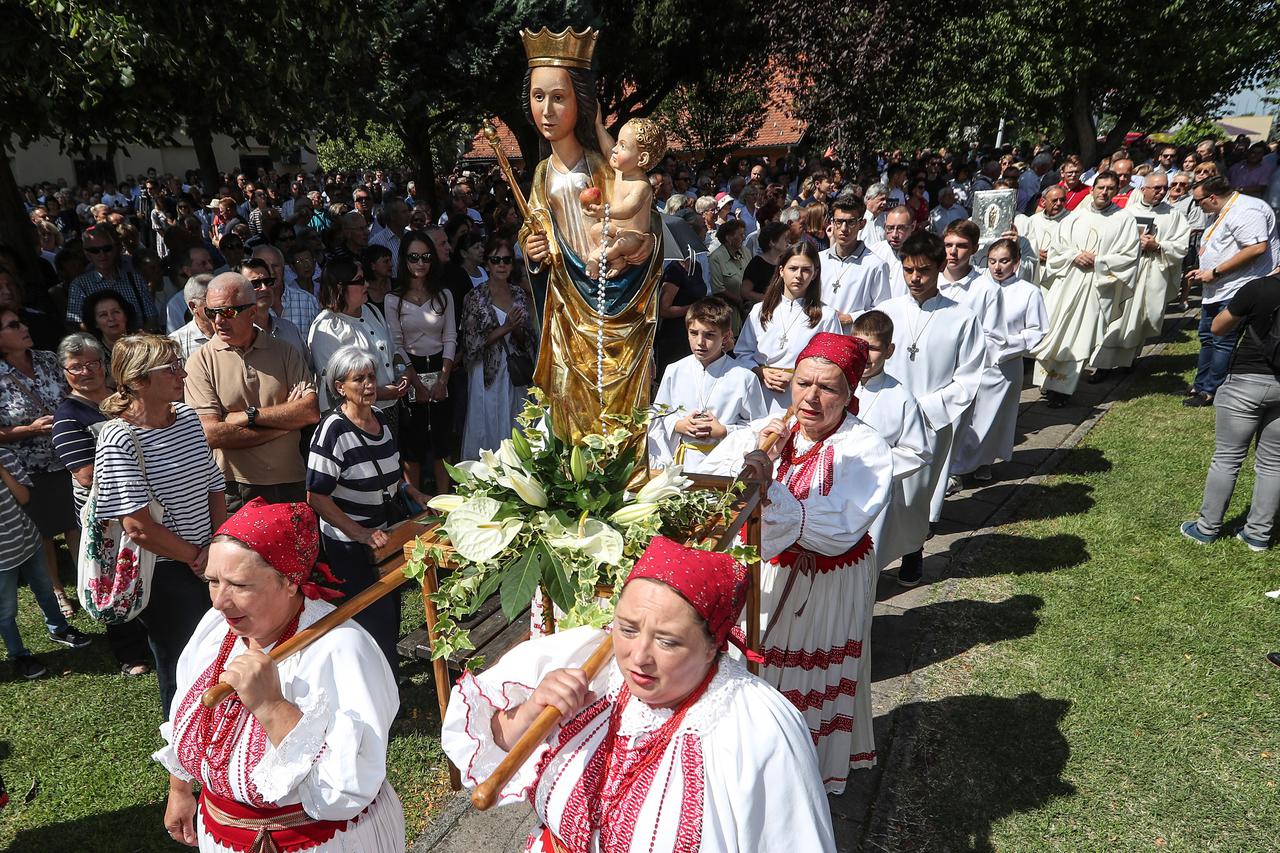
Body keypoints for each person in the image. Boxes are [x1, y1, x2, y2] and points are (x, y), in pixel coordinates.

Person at [442, 535, 837, 850]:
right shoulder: (585, 664)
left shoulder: (756, 728)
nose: (638, 657)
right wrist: (529, 712)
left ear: (713, 645)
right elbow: (487, 742)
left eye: (667, 641)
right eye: (627, 629)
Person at [155, 498, 405, 851]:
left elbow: (346, 789)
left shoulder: (342, 649)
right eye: (213, 581)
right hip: (221, 835)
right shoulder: (217, 628)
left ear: (290, 582)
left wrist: (271, 706)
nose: (218, 601)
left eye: (239, 585)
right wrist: (181, 788)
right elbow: (187, 705)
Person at [702, 333, 892, 791]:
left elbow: (836, 527)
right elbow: (718, 480)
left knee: (805, 674)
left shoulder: (865, 450)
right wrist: (749, 464)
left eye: (827, 388)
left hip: (824, 583)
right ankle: (749, 760)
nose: (811, 396)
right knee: (750, 663)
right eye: (803, 382)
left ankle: (797, 777)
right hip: (764, 572)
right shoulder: (772, 428)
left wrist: (770, 490)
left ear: (850, 394)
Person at [93, 334, 227, 714]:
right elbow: (137, 527)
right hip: (163, 570)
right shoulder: (118, 439)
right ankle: (183, 747)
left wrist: (218, 543)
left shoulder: (185, 416)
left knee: (217, 648)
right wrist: (197, 557)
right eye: (170, 368)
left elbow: (213, 483)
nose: (182, 373)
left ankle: (218, 728)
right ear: (137, 381)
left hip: (207, 556)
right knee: (181, 659)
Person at [874, 231, 986, 583]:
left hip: (930, 419)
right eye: (908, 270)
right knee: (879, 491)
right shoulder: (887, 312)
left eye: (923, 270)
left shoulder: (961, 318)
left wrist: (927, 408)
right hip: (884, 417)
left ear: (939, 267)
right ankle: (871, 561)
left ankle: (913, 552)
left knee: (917, 493)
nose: (915, 279)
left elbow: (968, 377)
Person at [307, 346, 427, 666]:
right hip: (349, 543)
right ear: (339, 388)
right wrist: (359, 533)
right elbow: (316, 496)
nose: (369, 384)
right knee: (372, 618)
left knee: (391, 607)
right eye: (358, 379)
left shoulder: (380, 420)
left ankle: (387, 676)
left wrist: (414, 493)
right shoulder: (332, 430)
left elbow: (391, 470)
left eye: (371, 376)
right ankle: (378, 684)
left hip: (385, 533)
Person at [50, 332, 151, 676]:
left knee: (146, 570)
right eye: (76, 367)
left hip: (144, 503)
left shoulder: (125, 400)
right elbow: (86, 475)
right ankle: (130, 653)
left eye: (93, 363)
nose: (86, 371)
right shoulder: (67, 417)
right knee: (115, 578)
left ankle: (153, 636)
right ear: (64, 372)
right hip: (107, 517)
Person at [184, 273, 320, 511]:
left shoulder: (284, 351)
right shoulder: (200, 362)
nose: (218, 321)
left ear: (252, 311)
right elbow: (212, 434)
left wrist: (250, 416)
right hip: (236, 489)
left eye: (227, 312)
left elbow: (309, 412)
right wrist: (285, 424)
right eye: (211, 312)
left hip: (292, 481)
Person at [1179, 272, 1279, 552]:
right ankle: (1258, 535)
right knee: (1274, 463)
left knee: (1227, 458)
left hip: (1246, 381)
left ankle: (1206, 528)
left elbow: (1219, 327)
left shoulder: (1259, 287)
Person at [1032, 171, 1141, 407]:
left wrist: (1099, 261)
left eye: (1110, 188)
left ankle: (1064, 390)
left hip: (1096, 288)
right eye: (1100, 187)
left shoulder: (1124, 220)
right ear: (1092, 189)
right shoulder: (1074, 218)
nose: (1104, 192)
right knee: (1055, 333)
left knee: (1079, 337)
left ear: (1116, 191)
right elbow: (1057, 251)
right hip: (1067, 286)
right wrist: (1074, 256)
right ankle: (1048, 384)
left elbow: (1130, 256)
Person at [0, 307, 80, 618]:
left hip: (69, 456)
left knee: (76, 524)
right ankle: (57, 590)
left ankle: (85, 582)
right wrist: (31, 430)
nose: (24, 327)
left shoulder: (48, 359)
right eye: (13, 325)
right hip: (30, 468)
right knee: (44, 533)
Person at [1183, 176, 1280, 407]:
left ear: (1212, 197)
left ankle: (1211, 391)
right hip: (1217, 286)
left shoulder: (1247, 210)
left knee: (1222, 339)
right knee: (1207, 337)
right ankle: (1200, 383)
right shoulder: (1223, 211)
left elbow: (1257, 247)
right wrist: (1204, 270)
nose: (1198, 206)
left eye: (1198, 201)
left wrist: (1215, 272)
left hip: (1238, 287)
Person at [850, 311, 933, 573]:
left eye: (873, 348)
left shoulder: (901, 398)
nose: (865, 355)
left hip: (875, 485)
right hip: (836, 480)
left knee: (868, 558)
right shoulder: (837, 383)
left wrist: (876, 466)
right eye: (859, 347)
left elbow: (917, 451)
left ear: (889, 350)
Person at [0, 444, 91, 680]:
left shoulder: (5, 457)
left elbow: (24, 496)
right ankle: (19, 654)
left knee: (45, 589)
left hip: (28, 541)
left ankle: (59, 628)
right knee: (5, 610)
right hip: (2, 560)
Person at [649, 297, 766, 472]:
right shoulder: (675, 370)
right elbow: (658, 416)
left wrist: (724, 431)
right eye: (694, 333)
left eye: (709, 335)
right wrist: (679, 425)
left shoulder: (744, 377)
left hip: (725, 465)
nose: (700, 342)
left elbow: (758, 427)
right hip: (681, 461)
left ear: (725, 336)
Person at [1092, 172, 1191, 374]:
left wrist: (1158, 245)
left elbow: (1182, 247)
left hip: (1153, 272)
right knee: (1116, 317)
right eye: (1157, 188)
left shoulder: (1174, 216)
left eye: (1165, 187)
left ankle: (1128, 361)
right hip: (1125, 272)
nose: (1162, 192)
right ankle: (1102, 365)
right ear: (1143, 189)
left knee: (1140, 318)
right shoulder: (1126, 213)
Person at [938, 220, 1011, 485]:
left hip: (963, 371)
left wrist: (965, 361)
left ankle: (953, 471)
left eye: (961, 246)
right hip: (930, 368)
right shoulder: (929, 280)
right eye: (948, 245)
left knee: (957, 427)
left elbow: (994, 336)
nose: (953, 252)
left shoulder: (986, 289)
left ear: (975, 249)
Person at [734, 242, 843, 413]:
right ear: (781, 270)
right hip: (760, 392)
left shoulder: (826, 316)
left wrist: (798, 377)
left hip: (802, 396)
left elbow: (832, 363)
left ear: (814, 274)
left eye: (806, 270)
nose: (799, 275)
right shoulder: (760, 311)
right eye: (793, 268)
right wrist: (759, 371)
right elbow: (742, 353)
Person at [386, 232, 456, 490]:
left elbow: (450, 336)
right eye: (413, 257)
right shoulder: (393, 298)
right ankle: (414, 507)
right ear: (404, 260)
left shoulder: (444, 294)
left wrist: (443, 379)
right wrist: (414, 381)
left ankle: (445, 503)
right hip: (409, 369)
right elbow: (396, 343)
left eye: (426, 257)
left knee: (442, 442)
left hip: (441, 366)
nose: (420, 263)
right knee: (412, 445)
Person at [977, 239, 1047, 478]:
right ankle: (958, 465)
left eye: (1004, 261)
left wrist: (1007, 342)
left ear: (1016, 263)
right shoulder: (978, 287)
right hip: (975, 363)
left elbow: (1037, 329)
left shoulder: (1028, 292)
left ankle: (984, 461)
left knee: (996, 417)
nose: (997, 267)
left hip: (1005, 364)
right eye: (993, 261)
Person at [307, 256, 410, 419]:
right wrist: (379, 392)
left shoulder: (372, 311)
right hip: (352, 418)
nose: (367, 284)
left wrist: (402, 372)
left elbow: (393, 350)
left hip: (389, 410)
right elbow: (334, 386)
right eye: (360, 280)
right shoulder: (325, 328)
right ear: (340, 287)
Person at [66, 223, 159, 328]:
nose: (102, 254)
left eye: (107, 248)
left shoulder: (135, 279)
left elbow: (151, 317)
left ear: (115, 249)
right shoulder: (79, 285)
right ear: (87, 254)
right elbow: (77, 324)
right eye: (94, 251)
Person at [820, 195, 892, 327]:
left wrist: (851, 318)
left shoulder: (876, 265)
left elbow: (883, 310)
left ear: (862, 224)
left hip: (851, 338)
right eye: (839, 222)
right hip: (818, 336)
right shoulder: (819, 259)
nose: (843, 228)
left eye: (851, 222)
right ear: (832, 222)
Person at [1016, 185, 1069, 287]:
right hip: (1034, 273)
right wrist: (1034, 252)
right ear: (1043, 202)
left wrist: (1053, 255)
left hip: (1057, 276)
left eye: (1062, 200)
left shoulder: (1071, 220)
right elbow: (1023, 244)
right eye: (1054, 200)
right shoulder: (1032, 220)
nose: (1059, 204)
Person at [81, 289, 140, 372]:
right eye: (103, 315)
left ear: (126, 315)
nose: (111, 318)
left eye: (116, 312)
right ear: (95, 323)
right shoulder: (93, 354)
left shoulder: (143, 345)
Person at [709, 219, 750, 319]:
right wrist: (739, 301)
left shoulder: (746, 251)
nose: (744, 238)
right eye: (740, 235)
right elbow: (718, 289)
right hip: (728, 314)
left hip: (749, 310)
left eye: (744, 234)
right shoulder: (716, 258)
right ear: (729, 238)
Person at [741, 220, 787, 308]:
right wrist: (771, 299)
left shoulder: (784, 261)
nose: (787, 241)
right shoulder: (757, 263)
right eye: (784, 238)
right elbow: (745, 292)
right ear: (773, 242)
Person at [169, 274, 214, 360]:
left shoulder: (232, 331)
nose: (218, 304)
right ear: (193, 306)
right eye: (210, 299)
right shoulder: (177, 342)